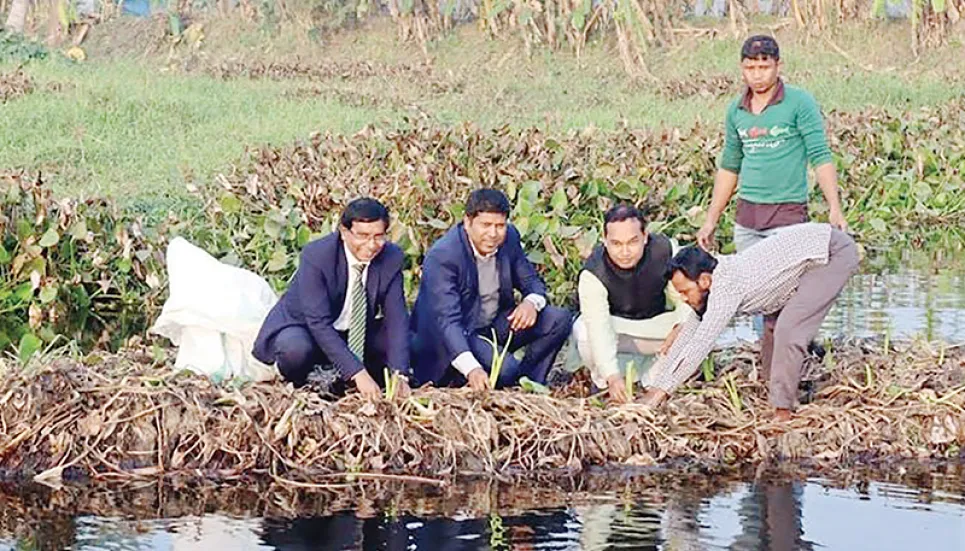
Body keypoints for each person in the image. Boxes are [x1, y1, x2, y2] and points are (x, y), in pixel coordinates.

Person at [696, 34, 848, 343]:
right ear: (742, 68)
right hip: (747, 219)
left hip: (787, 217)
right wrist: (711, 218)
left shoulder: (799, 102)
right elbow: (730, 166)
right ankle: (764, 358)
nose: (757, 75)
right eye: (750, 68)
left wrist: (834, 206)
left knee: (786, 294)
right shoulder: (736, 110)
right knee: (754, 293)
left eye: (764, 67)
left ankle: (794, 354)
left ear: (778, 66)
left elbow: (819, 155)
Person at [641, 223, 859, 420]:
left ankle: (782, 411)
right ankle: (777, 392)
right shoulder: (713, 282)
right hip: (807, 257)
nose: (684, 299)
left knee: (789, 330)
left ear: (705, 280)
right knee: (772, 330)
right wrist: (656, 385)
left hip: (831, 253)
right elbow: (689, 334)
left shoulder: (726, 288)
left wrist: (661, 393)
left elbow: (701, 344)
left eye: (686, 292)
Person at [410, 188, 573, 390]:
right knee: (505, 369)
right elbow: (447, 322)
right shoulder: (443, 256)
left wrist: (530, 302)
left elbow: (531, 280)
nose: (493, 234)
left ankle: (529, 383)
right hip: (458, 335)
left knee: (558, 319)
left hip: (494, 326)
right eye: (485, 225)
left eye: (500, 225)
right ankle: (497, 377)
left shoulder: (509, 238)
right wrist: (472, 369)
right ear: (468, 223)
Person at [252, 198, 411, 398]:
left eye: (379, 236)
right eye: (362, 236)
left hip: (353, 332)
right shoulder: (317, 256)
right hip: (307, 329)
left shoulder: (391, 257)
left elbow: (397, 318)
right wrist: (357, 373)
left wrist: (400, 374)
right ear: (344, 232)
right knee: (295, 349)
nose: (371, 245)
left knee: (407, 340)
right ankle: (305, 383)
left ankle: (366, 379)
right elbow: (318, 323)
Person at [568, 204, 692, 404]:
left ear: (645, 236)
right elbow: (599, 327)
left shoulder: (666, 251)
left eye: (632, 242)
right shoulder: (593, 273)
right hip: (617, 328)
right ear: (605, 241)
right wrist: (611, 375)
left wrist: (682, 325)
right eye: (616, 244)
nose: (625, 252)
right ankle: (604, 381)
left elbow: (687, 297)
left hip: (656, 326)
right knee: (583, 332)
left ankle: (653, 380)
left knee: (696, 328)